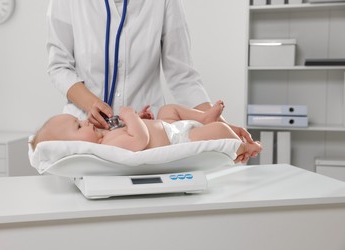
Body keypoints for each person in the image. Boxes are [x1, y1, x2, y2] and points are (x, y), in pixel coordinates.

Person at [46, 0, 255, 162]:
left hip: (154, 140)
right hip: (86, 139)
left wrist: (221, 125)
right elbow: (59, 66)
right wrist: (91, 103)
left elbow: (182, 75)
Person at [30, 101, 262, 162]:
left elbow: (139, 130)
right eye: (79, 127)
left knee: (168, 108)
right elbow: (140, 140)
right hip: (179, 139)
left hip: (169, 126)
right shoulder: (106, 147)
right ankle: (244, 146)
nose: (86, 122)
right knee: (219, 129)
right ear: (73, 147)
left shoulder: (107, 133)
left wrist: (140, 118)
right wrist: (131, 116)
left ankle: (203, 117)